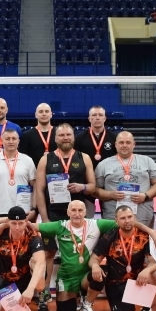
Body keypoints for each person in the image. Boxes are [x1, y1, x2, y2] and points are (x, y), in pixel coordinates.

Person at [35, 124, 95, 299]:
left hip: (77, 215)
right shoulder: (46, 159)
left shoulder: (84, 158)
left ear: (73, 137)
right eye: (61, 135)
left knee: (78, 251)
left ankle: (78, 290)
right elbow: (39, 190)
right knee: (48, 253)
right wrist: (44, 218)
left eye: (68, 134)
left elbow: (92, 186)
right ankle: (45, 291)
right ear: (55, 138)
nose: (65, 137)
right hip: (53, 213)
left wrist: (82, 187)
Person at [34, 201, 118, 311]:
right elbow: (31, 225)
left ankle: (87, 303)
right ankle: (77, 297)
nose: (77, 214)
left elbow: (125, 223)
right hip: (67, 276)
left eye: (80, 210)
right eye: (73, 210)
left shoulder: (96, 224)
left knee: (100, 273)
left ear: (85, 212)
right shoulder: (59, 226)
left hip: (85, 276)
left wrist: (146, 229)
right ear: (68, 212)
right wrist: (6, 223)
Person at [84, 205, 156, 311]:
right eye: (122, 218)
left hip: (137, 280)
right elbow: (93, 259)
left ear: (134, 218)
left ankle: (146, 310)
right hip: (115, 282)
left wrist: (147, 270)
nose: (127, 221)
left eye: (129, 217)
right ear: (116, 221)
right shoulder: (109, 237)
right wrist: (95, 265)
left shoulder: (144, 236)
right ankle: (87, 304)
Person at [0, 206, 49, 311]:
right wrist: (3, 225)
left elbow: (41, 263)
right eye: (13, 223)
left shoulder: (33, 236)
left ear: (26, 222)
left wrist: (30, 289)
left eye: (21, 223)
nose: (17, 227)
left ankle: (42, 300)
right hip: (10, 280)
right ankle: (18, 299)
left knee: (37, 262)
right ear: (8, 222)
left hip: (28, 278)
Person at [94, 130, 156, 227]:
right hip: (113, 217)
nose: (124, 145)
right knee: (115, 237)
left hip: (143, 216)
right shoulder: (103, 164)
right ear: (116, 145)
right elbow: (95, 190)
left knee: (143, 237)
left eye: (128, 142)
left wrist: (145, 196)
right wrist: (111, 194)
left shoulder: (147, 161)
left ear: (134, 144)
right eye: (121, 142)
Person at [0, 128, 38, 221]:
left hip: (23, 211)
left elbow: (35, 185)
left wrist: (34, 209)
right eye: (7, 139)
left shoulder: (27, 160)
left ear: (18, 141)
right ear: (2, 141)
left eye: (14, 139)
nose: (11, 142)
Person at [74, 106, 118, 217]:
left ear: (105, 118)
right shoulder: (79, 139)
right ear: (89, 118)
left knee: (110, 217)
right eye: (94, 115)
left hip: (108, 183)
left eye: (100, 115)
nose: (97, 118)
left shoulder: (114, 138)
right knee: (87, 217)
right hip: (87, 182)